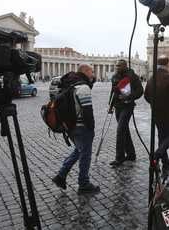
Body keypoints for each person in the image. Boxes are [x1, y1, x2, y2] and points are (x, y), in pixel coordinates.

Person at [52, 64, 100, 195]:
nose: (93, 74)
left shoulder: (71, 83)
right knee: (85, 155)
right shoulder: (83, 87)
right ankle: (84, 184)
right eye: (92, 71)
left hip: (70, 126)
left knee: (78, 152)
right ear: (85, 71)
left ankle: (61, 176)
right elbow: (87, 110)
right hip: (82, 127)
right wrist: (91, 128)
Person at [144, 56, 169, 177]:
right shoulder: (168, 78)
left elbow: (146, 96)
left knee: (162, 136)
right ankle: (156, 155)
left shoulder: (151, 78)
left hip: (156, 113)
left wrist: (155, 104)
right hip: (168, 112)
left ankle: (166, 163)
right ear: (167, 65)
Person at [109, 59, 144, 167]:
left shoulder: (132, 76)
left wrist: (128, 96)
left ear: (125, 66)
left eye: (119, 66)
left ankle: (119, 158)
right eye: (116, 66)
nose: (117, 67)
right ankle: (131, 154)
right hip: (118, 106)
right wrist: (110, 105)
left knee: (120, 130)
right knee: (124, 130)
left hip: (127, 106)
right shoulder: (115, 77)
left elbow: (140, 91)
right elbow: (113, 91)